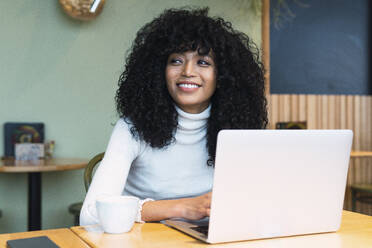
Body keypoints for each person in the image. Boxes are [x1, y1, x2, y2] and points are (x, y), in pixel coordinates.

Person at [80, 7, 267, 225]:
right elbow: (91, 214)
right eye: (176, 60)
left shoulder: (238, 129)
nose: (188, 71)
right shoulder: (131, 128)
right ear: (159, 70)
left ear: (224, 76)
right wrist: (183, 207)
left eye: (203, 62)